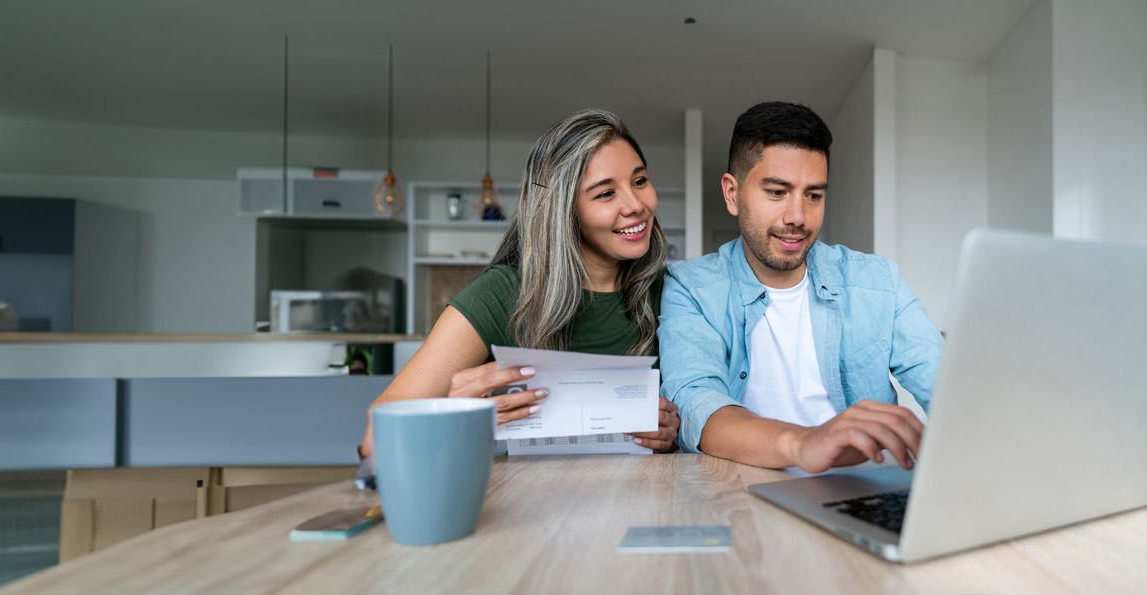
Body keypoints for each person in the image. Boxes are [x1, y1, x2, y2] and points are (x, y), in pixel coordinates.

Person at [359, 109, 679, 458]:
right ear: (560, 211)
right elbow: (375, 439)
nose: (637, 205)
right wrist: (453, 417)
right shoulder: (500, 296)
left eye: (639, 181)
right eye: (605, 194)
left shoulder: (676, 293)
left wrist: (675, 433)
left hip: (646, 502)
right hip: (531, 504)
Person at [658, 102, 943, 473]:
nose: (798, 217)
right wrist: (804, 443)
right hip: (747, 491)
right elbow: (697, 404)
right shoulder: (690, 287)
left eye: (814, 195)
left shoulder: (877, 281)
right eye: (777, 192)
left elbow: (948, 387)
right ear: (732, 193)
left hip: (866, 490)